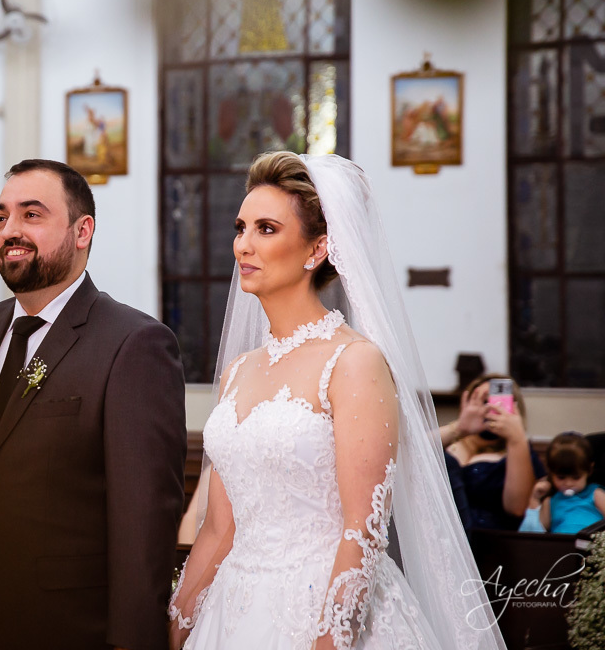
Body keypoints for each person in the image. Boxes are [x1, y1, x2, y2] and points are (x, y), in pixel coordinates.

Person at [168, 152, 505, 650]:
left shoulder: (354, 362)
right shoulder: (239, 372)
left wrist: (331, 637)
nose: (243, 245)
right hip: (234, 613)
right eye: (241, 228)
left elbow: (363, 527)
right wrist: (177, 621)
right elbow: (220, 527)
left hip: (327, 609)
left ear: (317, 248)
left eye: (266, 229)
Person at [0, 158, 187, 650]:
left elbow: (143, 521)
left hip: (71, 626)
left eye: (32, 215)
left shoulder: (133, 343)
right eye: (1, 217)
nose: (11, 230)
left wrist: (133, 640)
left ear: (82, 230)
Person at [441, 374, 543, 531]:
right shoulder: (452, 442)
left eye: (497, 402)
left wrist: (516, 438)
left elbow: (516, 508)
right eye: (482, 402)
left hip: (488, 542)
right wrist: (458, 428)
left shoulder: (517, 450)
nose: (489, 408)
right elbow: (412, 450)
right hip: (441, 532)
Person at [534, 432, 604, 534]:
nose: (568, 483)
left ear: (589, 470)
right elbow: (537, 531)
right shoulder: (550, 502)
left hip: (591, 545)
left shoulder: (595, 494)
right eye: (561, 478)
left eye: (576, 477)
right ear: (551, 473)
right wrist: (534, 499)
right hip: (561, 546)